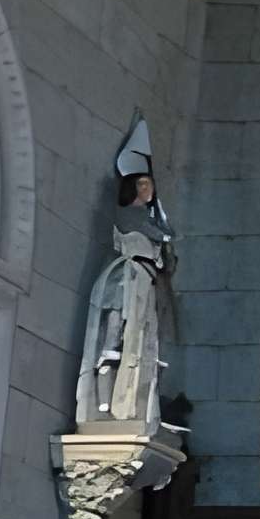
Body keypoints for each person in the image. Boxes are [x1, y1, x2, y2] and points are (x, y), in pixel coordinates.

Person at [76, 121, 175, 426]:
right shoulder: (130, 214)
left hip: (145, 279)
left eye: (150, 184)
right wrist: (161, 230)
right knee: (116, 332)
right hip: (128, 277)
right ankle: (105, 401)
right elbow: (159, 234)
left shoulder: (149, 215)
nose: (148, 189)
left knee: (140, 336)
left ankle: (132, 400)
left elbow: (166, 242)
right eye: (142, 184)